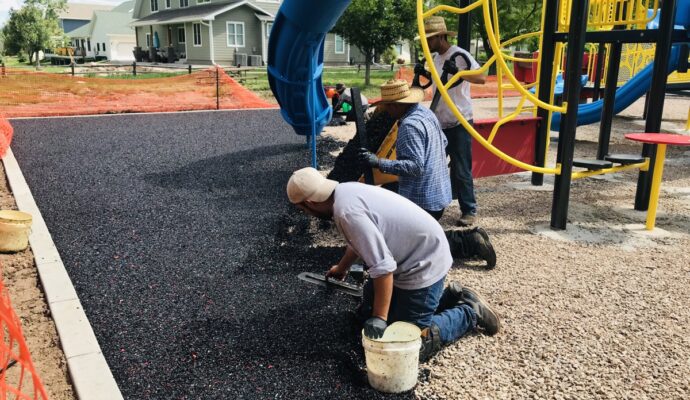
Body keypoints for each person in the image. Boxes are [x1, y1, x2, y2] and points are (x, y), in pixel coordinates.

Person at [286, 167, 501, 361]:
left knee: (407, 345)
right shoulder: (344, 192)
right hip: (406, 256)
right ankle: (451, 297)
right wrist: (342, 268)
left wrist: (380, 318)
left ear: (309, 203)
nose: (306, 214)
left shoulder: (347, 212)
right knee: (365, 318)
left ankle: (469, 311)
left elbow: (383, 269)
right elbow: (362, 241)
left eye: (302, 209)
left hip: (423, 263)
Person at [357, 79, 495, 267]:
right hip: (438, 192)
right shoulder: (426, 114)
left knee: (417, 244)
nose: (386, 111)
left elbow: (415, 167)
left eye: (387, 106)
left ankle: (471, 241)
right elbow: (443, 144)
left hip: (423, 200)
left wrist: (378, 162)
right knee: (420, 235)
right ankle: (472, 238)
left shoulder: (409, 127)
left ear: (397, 105)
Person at [425, 16, 487, 227]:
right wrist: (422, 74)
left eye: (431, 38)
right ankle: (434, 205)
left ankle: (469, 210)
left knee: (461, 169)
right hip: (440, 122)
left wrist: (458, 71)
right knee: (434, 167)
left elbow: (481, 77)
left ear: (441, 37)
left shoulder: (460, 55)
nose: (428, 42)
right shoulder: (435, 58)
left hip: (459, 122)